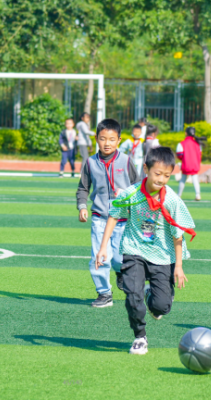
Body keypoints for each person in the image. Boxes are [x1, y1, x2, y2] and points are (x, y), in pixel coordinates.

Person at [97, 146, 196, 355]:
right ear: (146, 169)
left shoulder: (171, 200)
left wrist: (178, 266)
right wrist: (103, 247)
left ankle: (152, 295)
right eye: (157, 174)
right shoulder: (131, 193)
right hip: (134, 250)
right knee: (132, 295)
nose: (161, 179)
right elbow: (114, 214)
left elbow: (178, 235)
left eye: (166, 175)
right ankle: (139, 336)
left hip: (163, 255)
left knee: (161, 307)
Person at [76, 118, 139, 308]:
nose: (107, 143)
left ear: (119, 140)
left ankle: (120, 271)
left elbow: (139, 186)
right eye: (103, 139)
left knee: (120, 259)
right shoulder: (90, 162)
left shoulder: (126, 161)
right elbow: (83, 188)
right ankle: (104, 293)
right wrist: (82, 206)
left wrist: (127, 194)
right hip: (100, 218)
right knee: (99, 256)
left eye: (112, 139)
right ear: (96, 138)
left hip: (123, 219)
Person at [175, 127, 203, 201]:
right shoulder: (198, 143)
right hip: (195, 164)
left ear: (186, 133)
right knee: (195, 179)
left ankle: (179, 195)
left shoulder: (182, 143)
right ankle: (198, 195)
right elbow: (200, 154)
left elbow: (179, 155)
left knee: (183, 179)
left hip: (186, 164)